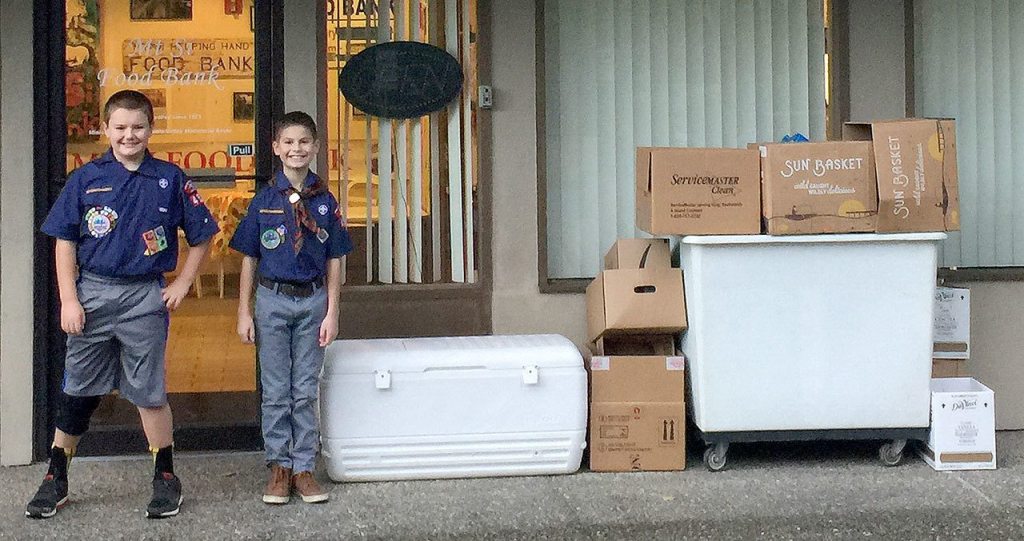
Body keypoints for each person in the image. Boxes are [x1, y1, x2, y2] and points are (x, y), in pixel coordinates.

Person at [29, 89, 219, 519]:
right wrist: (69, 300)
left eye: (138, 127)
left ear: (151, 129)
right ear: (105, 130)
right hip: (92, 294)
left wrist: (183, 283)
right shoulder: (85, 178)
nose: (129, 135)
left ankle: (166, 477)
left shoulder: (169, 179)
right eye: (120, 127)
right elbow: (65, 243)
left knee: (149, 392)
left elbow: (203, 234)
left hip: (144, 296)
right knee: (77, 388)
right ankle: (55, 477)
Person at [230, 111, 352, 504]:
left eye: (304, 142)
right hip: (272, 300)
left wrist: (332, 311)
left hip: (313, 300)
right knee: (276, 389)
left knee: (304, 389)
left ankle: (304, 468)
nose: (296, 149)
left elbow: (335, 259)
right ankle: (278, 467)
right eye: (289, 142)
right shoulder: (264, 200)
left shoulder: (326, 202)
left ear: (316, 147)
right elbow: (248, 257)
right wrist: (243, 311)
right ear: (276, 148)